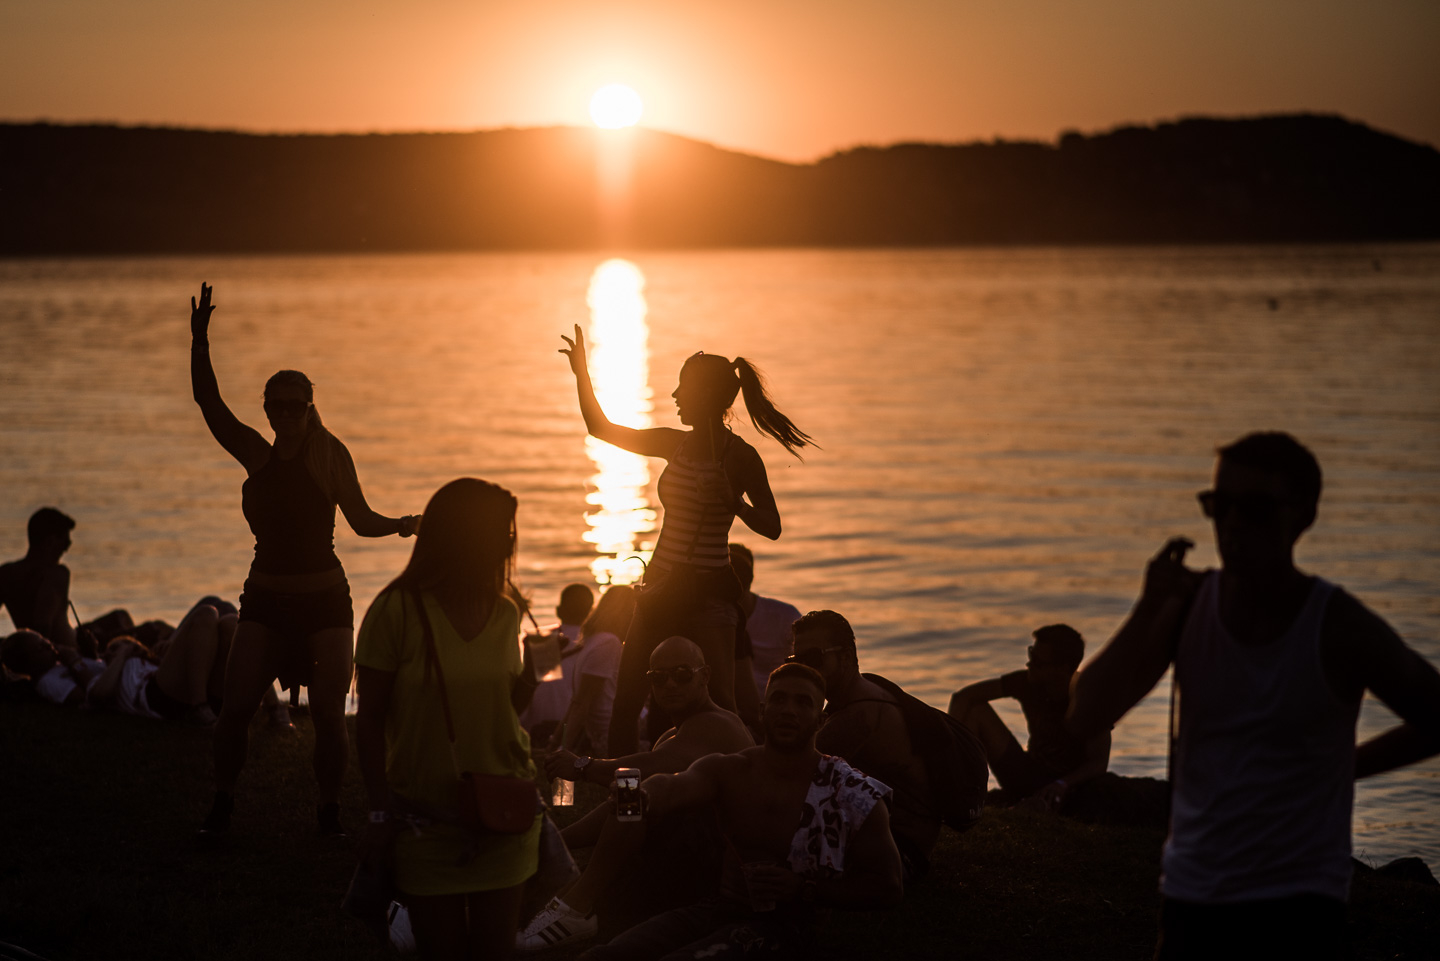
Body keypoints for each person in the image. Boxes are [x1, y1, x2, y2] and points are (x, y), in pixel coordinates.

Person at [1066, 432, 1440, 960]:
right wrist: (1147, 609)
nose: (1234, 523)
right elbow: (1085, 715)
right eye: (1220, 506)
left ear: (1302, 517)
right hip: (1191, 895)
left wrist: (1346, 766)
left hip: (1296, 905)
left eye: (1256, 509)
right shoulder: (1187, 608)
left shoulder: (1337, 626)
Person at [189, 282, 420, 839]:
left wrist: (402, 525)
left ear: (309, 408)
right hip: (264, 600)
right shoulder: (255, 453)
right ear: (267, 409)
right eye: (278, 405)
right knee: (235, 712)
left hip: (325, 603)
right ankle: (222, 806)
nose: (288, 413)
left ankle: (328, 812)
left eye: (298, 405)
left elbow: (362, 521)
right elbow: (208, 403)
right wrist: (200, 341)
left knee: (328, 720)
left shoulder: (329, 454)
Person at [560, 328, 814, 756]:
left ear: (707, 396)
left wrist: (734, 502)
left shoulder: (740, 457)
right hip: (660, 586)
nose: (675, 394)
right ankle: (627, 792)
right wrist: (582, 371)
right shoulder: (672, 442)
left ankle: (731, 785)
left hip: (713, 591)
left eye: (684, 386)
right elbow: (599, 428)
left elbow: (771, 526)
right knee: (628, 699)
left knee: (723, 705)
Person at [576, 663, 904, 960]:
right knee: (603, 956)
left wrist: (803, 888)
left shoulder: (850, 792)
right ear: (763, 711)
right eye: (779, 699)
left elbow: (889, 886)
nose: (788, 710)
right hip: (716, 908)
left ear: (820, 719)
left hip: (788, 927)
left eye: (803, 702)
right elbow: (676, 783)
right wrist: (644, 796)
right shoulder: (730, 770)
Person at [355, 478, 541, 960]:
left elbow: (499, 711)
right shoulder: (395, 611)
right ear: (465, 535)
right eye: (500, 531)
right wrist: (379, 810)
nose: (509, 542)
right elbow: (369, 718)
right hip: (425, 822)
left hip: (504, 813)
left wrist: (533, 679)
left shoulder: (507, 611)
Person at [519, 636, 755, 951]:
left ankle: (578, 905)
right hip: (692, 858)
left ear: (706, 676)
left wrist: (581, 766)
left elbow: (652, 765)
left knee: (635, 789)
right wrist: (557, 843)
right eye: (658, 677)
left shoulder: (717, 724)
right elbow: (624, 795)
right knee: (628, 793)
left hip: (727, 869)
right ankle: (571, 898)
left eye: (682, 674)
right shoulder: (675, 732)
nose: (670, 683)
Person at [793, 610, 987, 878]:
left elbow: (793, 776)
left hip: (900, 856)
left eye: (813, 658)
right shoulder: (869, 688)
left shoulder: (858, 716)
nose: (804, 670)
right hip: (896, 844)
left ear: (846, 657)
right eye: (796, 662)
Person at [948, 624, 1110, 811]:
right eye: (1031, 654)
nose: (1029, 664)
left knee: (1043, 807)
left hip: (1066, 787)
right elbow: (963, 697)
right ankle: (959, 792)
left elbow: (1099, 762)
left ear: (1063, 669)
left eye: (1038, 662)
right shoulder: (1027, 682)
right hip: (1027, 772)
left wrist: (1062, 784)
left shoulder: (1089, 697)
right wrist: (947, 755)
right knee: (976, 710)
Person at [554, 584, 636, 756]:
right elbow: (583, 702)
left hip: (601, 733)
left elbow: (577, 701)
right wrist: (564, 750)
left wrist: (555, 741)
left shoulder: (594, 639)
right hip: (610, 735)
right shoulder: (608, 643)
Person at [519, 582, 595, 744]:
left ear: (558, 611)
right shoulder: (597, 643)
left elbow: (538, 691)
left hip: (536, 726)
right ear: (592, 612)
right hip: (575, 730)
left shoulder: (542, 640)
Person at [728, 543, 802, 698]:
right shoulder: (711, 621)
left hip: (778, 702)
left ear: (750, 576)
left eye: (740, 569)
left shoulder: (784, 616)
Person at [0, 508, 79, 650]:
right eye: (65, 543)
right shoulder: (56, 574)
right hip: (64, 653)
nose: (66, 550)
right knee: (121, 621)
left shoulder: (6, 573)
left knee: (118, 617)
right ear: (50, 541)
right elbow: (42, 631)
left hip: (30, 649)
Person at [1, 629, 104, 707]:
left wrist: (92, 654)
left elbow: (97, 668)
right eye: (41, 647)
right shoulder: (48, 682)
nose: (49, 645)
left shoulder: (58, 664)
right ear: (28, 664)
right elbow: (89, 696)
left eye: (44, 640)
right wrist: (74, 662)